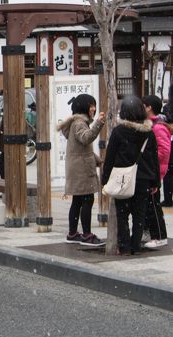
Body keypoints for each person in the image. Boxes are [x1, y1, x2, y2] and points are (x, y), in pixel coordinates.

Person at [101, 95, 159, 256]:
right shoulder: (149, 133)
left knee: (122, 214)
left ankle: (124, 246)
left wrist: (105, 179)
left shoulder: (119, 131)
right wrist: (155, 182)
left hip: (123, 179)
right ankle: (136, 246)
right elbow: (154, 158)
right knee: (139, 214)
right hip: (144, 179)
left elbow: (110, 157)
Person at [56, 93, 106, 246]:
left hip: (78, 167)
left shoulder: (77, 122)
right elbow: (86, 138)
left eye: (94, 105)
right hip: (81, 170)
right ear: (84, 107)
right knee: (87, 200)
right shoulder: (79, 123)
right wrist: (98, 123)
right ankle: (86, 235)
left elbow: (81, 148)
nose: (94, 108)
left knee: (78, 201)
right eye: (91, 105)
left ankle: (72, 233)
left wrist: (97, 159)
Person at [142, 95, 169, 248]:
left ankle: (159, 235)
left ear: (149, 108)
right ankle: (150, 232)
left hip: (154, 172)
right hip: (151, 170)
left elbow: (164, 152)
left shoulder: (158, 127)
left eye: (142, 105)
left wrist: (148, 159)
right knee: (148, 204)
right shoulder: (151, 125)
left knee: (153, 204)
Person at [160, 84, 173, 207]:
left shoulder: (167, 107)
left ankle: (168, 198)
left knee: (169, 172)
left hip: (169, 141)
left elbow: (165, 121)